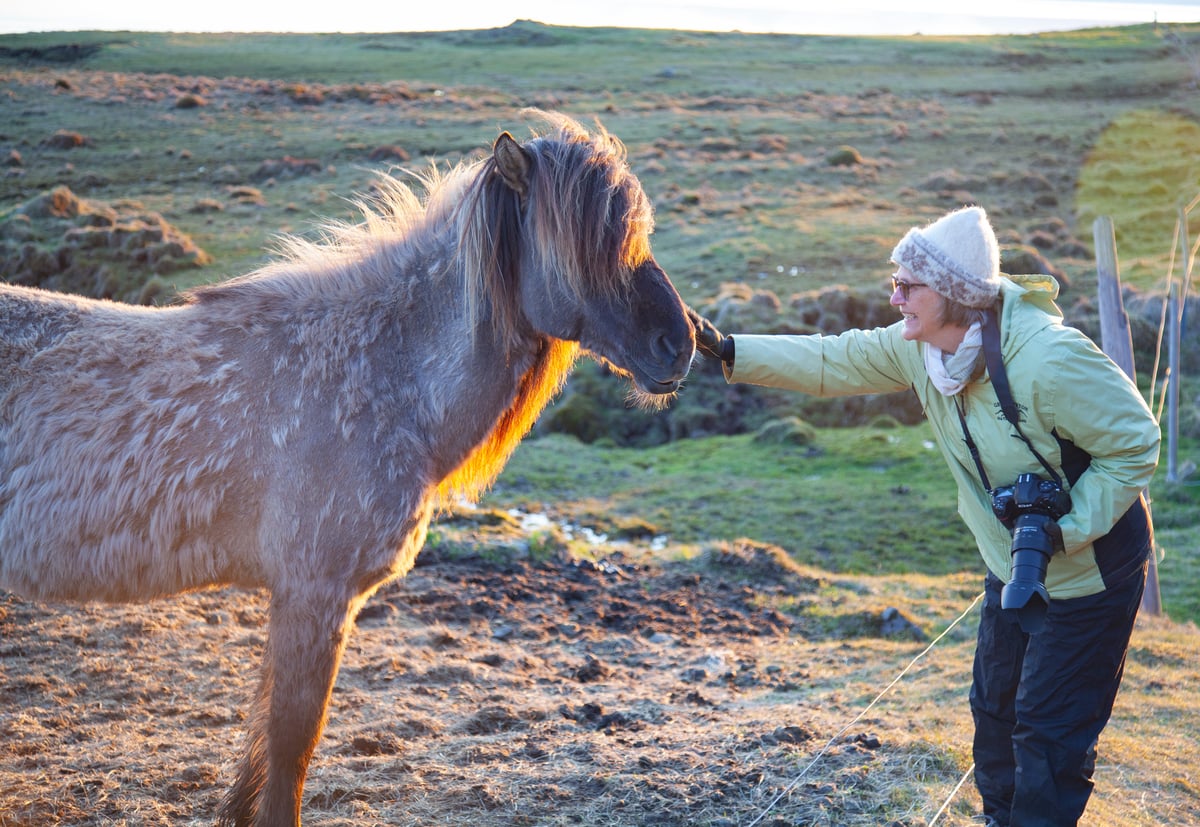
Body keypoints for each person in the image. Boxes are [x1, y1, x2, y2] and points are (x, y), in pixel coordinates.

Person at [690, 205, 1159, 827]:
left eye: (908, 286)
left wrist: (1064, 534)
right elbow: (832, 360)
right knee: (994, 715)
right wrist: (727, 348)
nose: (894, 298)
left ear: (956, 295)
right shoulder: (925, 352)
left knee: (1048, 738)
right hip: (1013, 565)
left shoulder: (1048, 358)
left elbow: (1135, 442)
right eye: (895, 283)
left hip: (1092, 574)